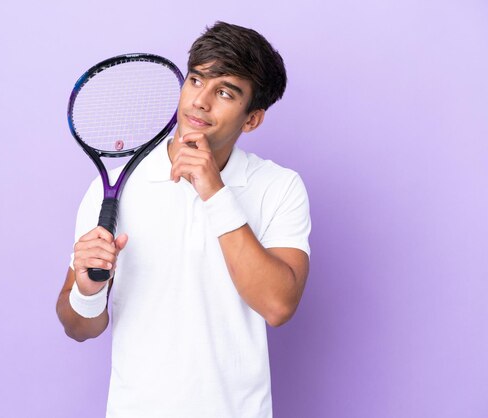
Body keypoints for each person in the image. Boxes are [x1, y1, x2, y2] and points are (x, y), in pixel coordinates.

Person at [56, 21, 311, 418]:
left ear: (252, 119)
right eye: (195, 80)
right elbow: (77, 327)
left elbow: (278, 305)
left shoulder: (279, 187)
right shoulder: (114, 188)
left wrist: (214, 191)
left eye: (224, 92)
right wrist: (87, 292)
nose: (200, 102)